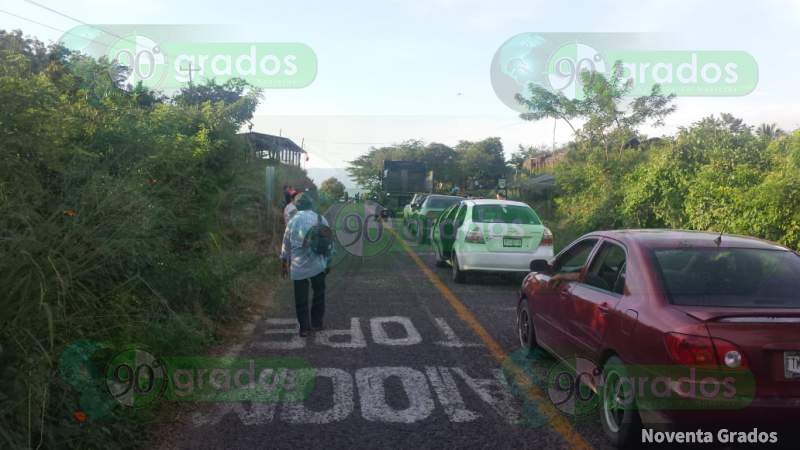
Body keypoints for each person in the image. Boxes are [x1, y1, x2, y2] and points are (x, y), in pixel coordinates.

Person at [280, 193, 331, 337]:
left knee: (301, 298)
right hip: (318, 265)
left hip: (298, 267)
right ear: (311, 204)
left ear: (297, 205)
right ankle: (317, 323)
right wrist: (328, 262)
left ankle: (304, 328)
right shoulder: (321, 219)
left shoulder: (293, 221)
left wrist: (284, 263)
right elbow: (329, 243)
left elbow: (286, 244)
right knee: (319, 294)